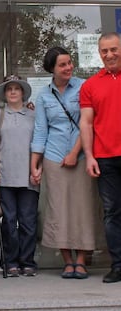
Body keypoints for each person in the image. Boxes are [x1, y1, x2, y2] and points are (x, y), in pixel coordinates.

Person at [31, 46, 99, 280]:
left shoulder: (84, 87)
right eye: (62, 64)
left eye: (70, 63)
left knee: (82, 209)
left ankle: (81, 260)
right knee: (58, 210)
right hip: (53, 158)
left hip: (80, 157)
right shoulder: (44, 96)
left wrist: (74, 152)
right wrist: (35, 162)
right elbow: (41, 130)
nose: (68, 67)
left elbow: (88, 123)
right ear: (52, 69)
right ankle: (67, 261)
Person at [80, 32, 121, 283]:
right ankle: (118, 265)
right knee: (112, 213)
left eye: (114, 49)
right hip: (105, 158)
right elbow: (86, 123)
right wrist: (89, 155)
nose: (109, 55)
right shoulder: (90, 85)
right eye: (104, 51)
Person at [0, 75, 39, 277]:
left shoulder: (33, 115)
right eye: (10, 89)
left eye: (17, 88)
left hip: (28, 175)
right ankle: (10, 262)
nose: (14, 92)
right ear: (5, 93)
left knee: (28, 221)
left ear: (23, 92)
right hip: (6, 174)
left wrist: (39, 168)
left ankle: (27, 261)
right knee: (8, 221)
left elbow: (39, 144)